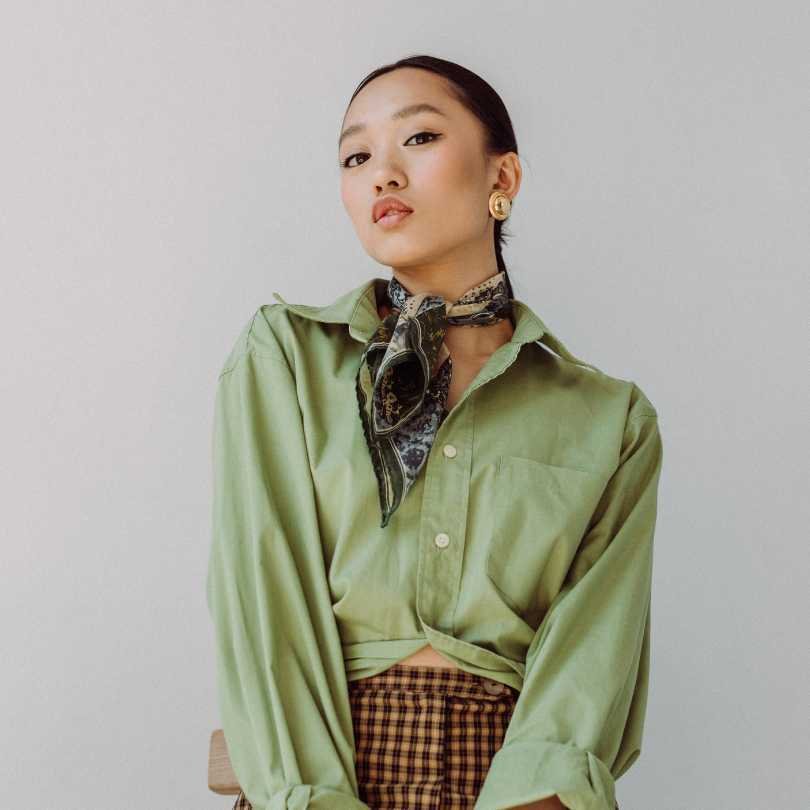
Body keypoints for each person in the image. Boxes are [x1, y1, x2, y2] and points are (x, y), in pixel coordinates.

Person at [206, 54, 664, 810]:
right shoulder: (285, 358)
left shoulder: (609, 419)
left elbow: (591, 662)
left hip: (513, 786)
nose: (382, 174)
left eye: (418, 138)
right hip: (321, 777)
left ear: (502, 178)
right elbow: (265, 602)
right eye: (356, 157)